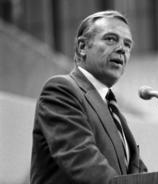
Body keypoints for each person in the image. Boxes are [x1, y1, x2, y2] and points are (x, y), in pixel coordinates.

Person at [30, 10, 147, 184]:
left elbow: (138, 174)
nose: (122, 49)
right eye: (111, 39)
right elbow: (86, 164)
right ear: (82, 47)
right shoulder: (61, 90)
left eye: (128, 44)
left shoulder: (113, 109)